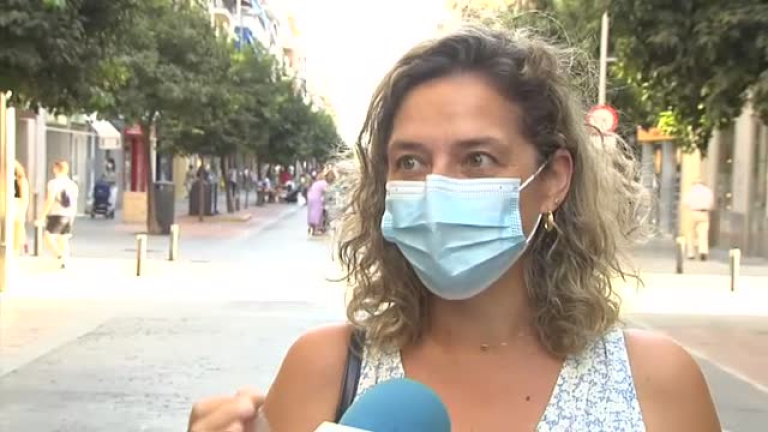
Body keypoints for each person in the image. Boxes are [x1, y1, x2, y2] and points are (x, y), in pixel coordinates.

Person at [188, 27, 720, 431]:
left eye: (477, 159)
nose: (435, 188)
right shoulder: (324, 372)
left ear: (553, 179)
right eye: (411, 162)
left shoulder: (655, 383)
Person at [38, 161, 79, 269]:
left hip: (57, 214)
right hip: (69, 214)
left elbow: (50, 199)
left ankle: (59, 255)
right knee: (63, 239)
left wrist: (42, 215)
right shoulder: (73, 185)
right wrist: (73, 216)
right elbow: (74, 203)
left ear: (56, 169)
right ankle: (64, 262)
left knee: (48, 237)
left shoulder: (53, 183)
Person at [685, 179, 715, 261]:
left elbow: (686, 203)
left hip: (693, 212)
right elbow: (711, 204)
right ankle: (703, 252)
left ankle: (691, 253)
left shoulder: (691, 191)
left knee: (690, 233)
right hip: (704, 213)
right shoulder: (708, 191)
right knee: (703, 234)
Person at [306, 169, 335, 236]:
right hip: (316, 198)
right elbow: (328, 192)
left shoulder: (316, 183)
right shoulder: (324, 183)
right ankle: (316, 229)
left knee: (311, 213)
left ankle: (311, 228)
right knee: (317, 213)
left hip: (310, 197)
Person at [13, 160, 30, 256]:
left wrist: (23, 211)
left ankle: (17, 249)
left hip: (17, 206)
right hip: (12, 206)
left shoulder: (21, 180)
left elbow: (25, 197)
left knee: (18, 228)